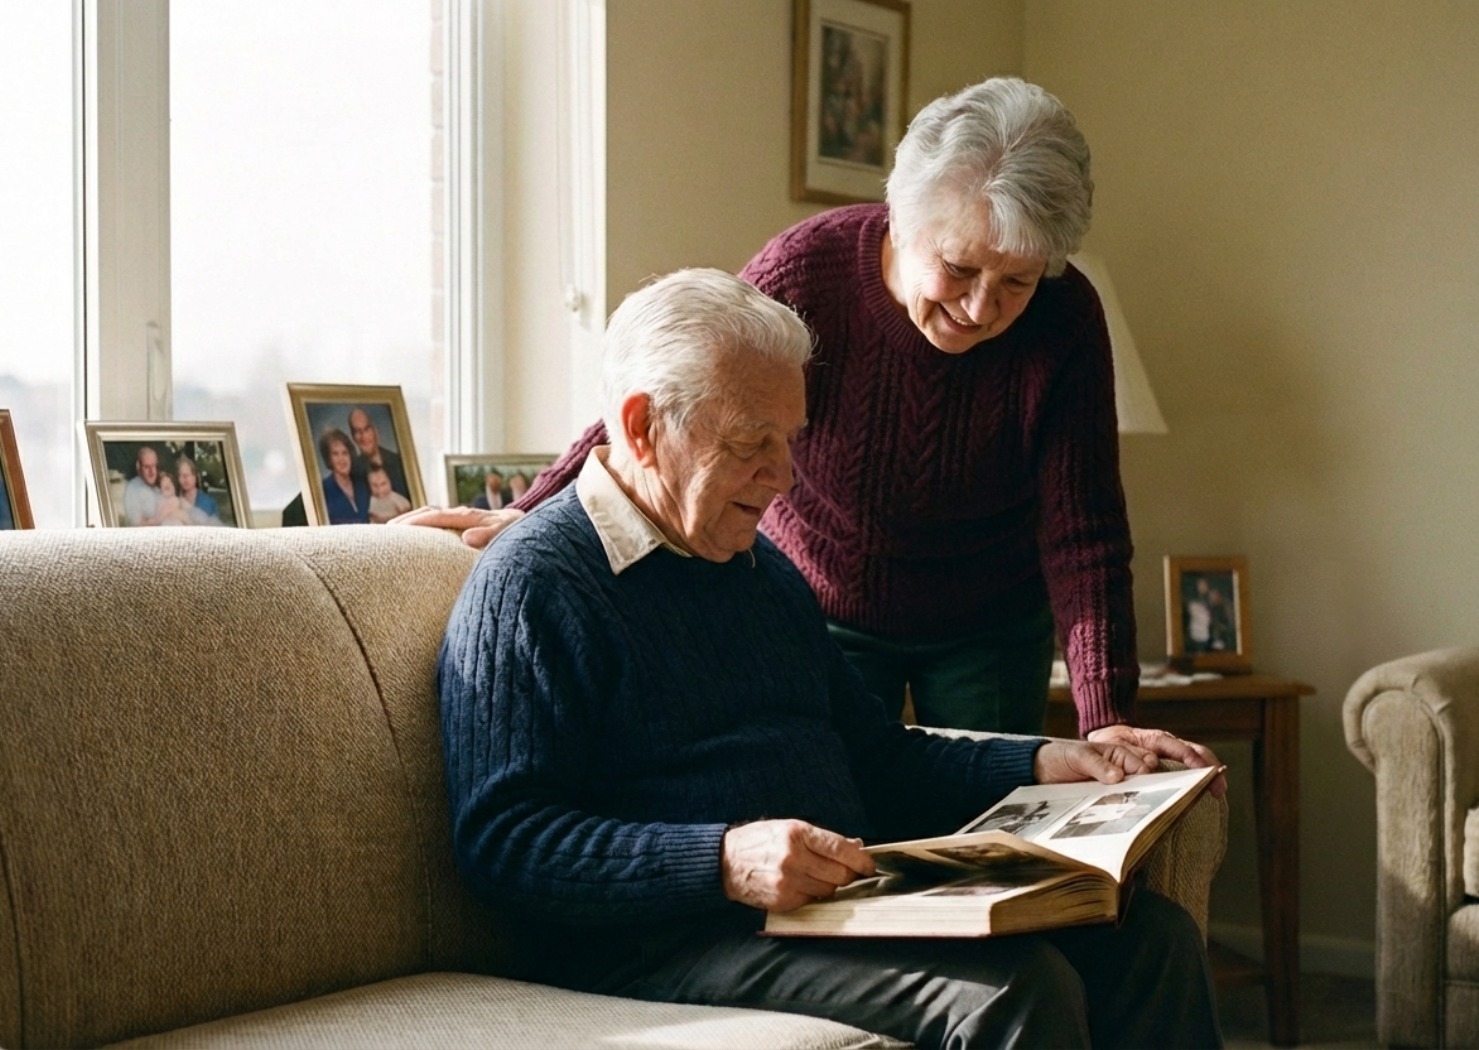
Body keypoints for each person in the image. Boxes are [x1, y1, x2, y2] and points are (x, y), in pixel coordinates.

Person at [437, 268, 1222, 1049]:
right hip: (659, 938)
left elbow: (876, 757)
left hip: (829, 906)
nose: (782, 477)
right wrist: (719, 859)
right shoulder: (537, 584)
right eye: (752, 443)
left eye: (790, 440)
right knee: (1011, 994)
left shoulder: (761, 570)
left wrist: (1050, 761)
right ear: (642, 428)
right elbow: (504, 840)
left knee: (1148, 941)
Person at [404, 77, 1193, 758]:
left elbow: (1084, 530)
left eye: (1016, 282)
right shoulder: (805, 271)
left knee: (993, 818)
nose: (983, 308)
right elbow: (664, 398)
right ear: (902, 222)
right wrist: (531, 512)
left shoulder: (1066, 321)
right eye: (959, 268)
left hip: (987, 621)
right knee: (841, 804)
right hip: (823, 605)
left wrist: (1107, 721)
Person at [347, 407, 412, 503]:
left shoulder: (399, 461)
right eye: (358, 431)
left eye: (366, 429)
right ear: (353, 437)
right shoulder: (352, 472)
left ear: (375, 431)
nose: (363, 436)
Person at [318, 427, 370, 525]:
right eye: (335, 454)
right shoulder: (323, 490)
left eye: (345, 453)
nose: (342, 459)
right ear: (329, 459)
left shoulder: (362, 483)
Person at [174, 455, 224, 526]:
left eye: (188, 474)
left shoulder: (209, 502)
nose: (185, 478)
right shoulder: (175, 503)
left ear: (195, 476)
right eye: (181, 475)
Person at [122, 446, 165, 527]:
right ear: (139, 467)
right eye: (147, 467)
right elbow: (136, 524)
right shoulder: (133, 488)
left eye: (154, 466)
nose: (151, 471)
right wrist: (158, 520)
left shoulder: (158, 487)